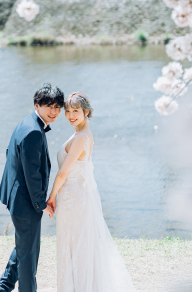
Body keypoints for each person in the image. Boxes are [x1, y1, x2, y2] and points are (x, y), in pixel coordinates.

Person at [47, 92, 136, 292]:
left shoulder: (81, 137)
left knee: (77, 249)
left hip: (74, 201)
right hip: (73, 198)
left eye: (75, 111)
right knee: (75, 248)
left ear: (86, 112)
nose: (70, 115)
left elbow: (62, 174)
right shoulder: (80, 132)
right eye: (68, 111)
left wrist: (51, 198)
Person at [0, 83, 64, 292]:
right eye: (49, 106)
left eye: (57, 107)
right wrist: (41, 203)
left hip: (18, 198)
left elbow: (10, 154)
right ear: (37, 105)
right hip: (26, 204)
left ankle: (3, 288)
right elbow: (32, 174)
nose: (54, 112)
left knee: (24, 247)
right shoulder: (33, 131)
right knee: (29, 258)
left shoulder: (27, 123)